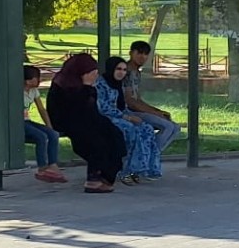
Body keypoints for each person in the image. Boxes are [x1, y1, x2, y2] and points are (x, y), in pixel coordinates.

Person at [46, 53, 125, 193]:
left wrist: (88, 88)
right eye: (91, 72)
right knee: (96, 140)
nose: (94, 75)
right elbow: (73, 110)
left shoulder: (87, 87)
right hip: (67, 120)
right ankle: (93, 180)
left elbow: (91, 111)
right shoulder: (62, 84)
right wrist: (87, 87)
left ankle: (106, 177)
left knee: (114, 133)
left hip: (85, 118)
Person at [100, 57, 162, 184]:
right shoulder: (101, 84)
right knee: (131, 130)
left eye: (124, 70)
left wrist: (130, 116)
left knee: (147, 129)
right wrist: (127, 117)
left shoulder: (119, 85)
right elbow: (103, 107)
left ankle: (145, 169)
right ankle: (126, 170)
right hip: (106, 117)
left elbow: (123, 106)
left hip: (122, 114)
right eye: (118, 69)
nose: (121, 72)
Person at [122, 42, 182, 152]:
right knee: (167, 126)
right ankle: (149, 155)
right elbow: (130, 102)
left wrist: (158, 111)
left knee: (175, 127)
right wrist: (156, 113)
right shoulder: (125, 72)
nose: (142, 57)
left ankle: (152, 153)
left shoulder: (137, 73)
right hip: (127, 112)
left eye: (146, 54)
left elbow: (137, 99)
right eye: (139, 53)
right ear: (131, 53)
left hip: (137, 110)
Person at [23, 65, 67, 184]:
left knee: (53, 134)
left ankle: (52, 165)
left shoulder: (33, 91)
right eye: (37, 78)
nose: (39, 80)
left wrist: (49, 126)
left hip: (27, 120)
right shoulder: (17, 91)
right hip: (17, 123)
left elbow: (41, 110)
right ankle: (42, 167)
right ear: (27, 80)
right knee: (41, 136)